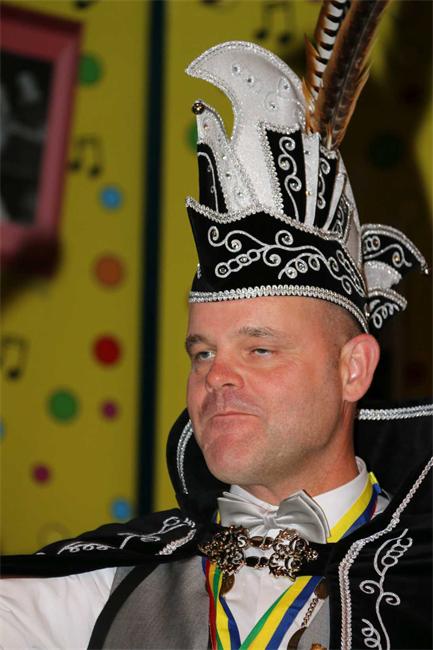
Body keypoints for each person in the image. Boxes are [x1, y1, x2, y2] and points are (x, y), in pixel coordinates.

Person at [1, 2, 432, 649]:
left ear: (353, 368)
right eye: (201, 352)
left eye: (259, 349)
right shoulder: (109, 583)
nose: (215, 377)